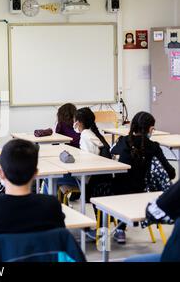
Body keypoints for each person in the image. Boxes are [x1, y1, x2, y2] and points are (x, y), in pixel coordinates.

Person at [111, 111, 175, 244]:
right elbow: (171, 173)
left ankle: (114, 229)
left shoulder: (122, 142)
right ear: (151, 129)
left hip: (115, 193)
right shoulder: (154, 147)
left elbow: (110, 155)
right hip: (145, 194)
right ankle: (120, 228)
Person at [74, 107, 113, 241]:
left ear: (78, 122)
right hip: (103, 177)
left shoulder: (85, 136)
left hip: (92, 180)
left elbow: (87, 161)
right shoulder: (95, 134)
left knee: (64, 179)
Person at [55, 103, 81, 200]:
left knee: (49, 177)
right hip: (80, 162)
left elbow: (55, 143)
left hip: (68, 162)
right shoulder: (79, 125)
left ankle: (54, 197)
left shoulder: (61, 125)